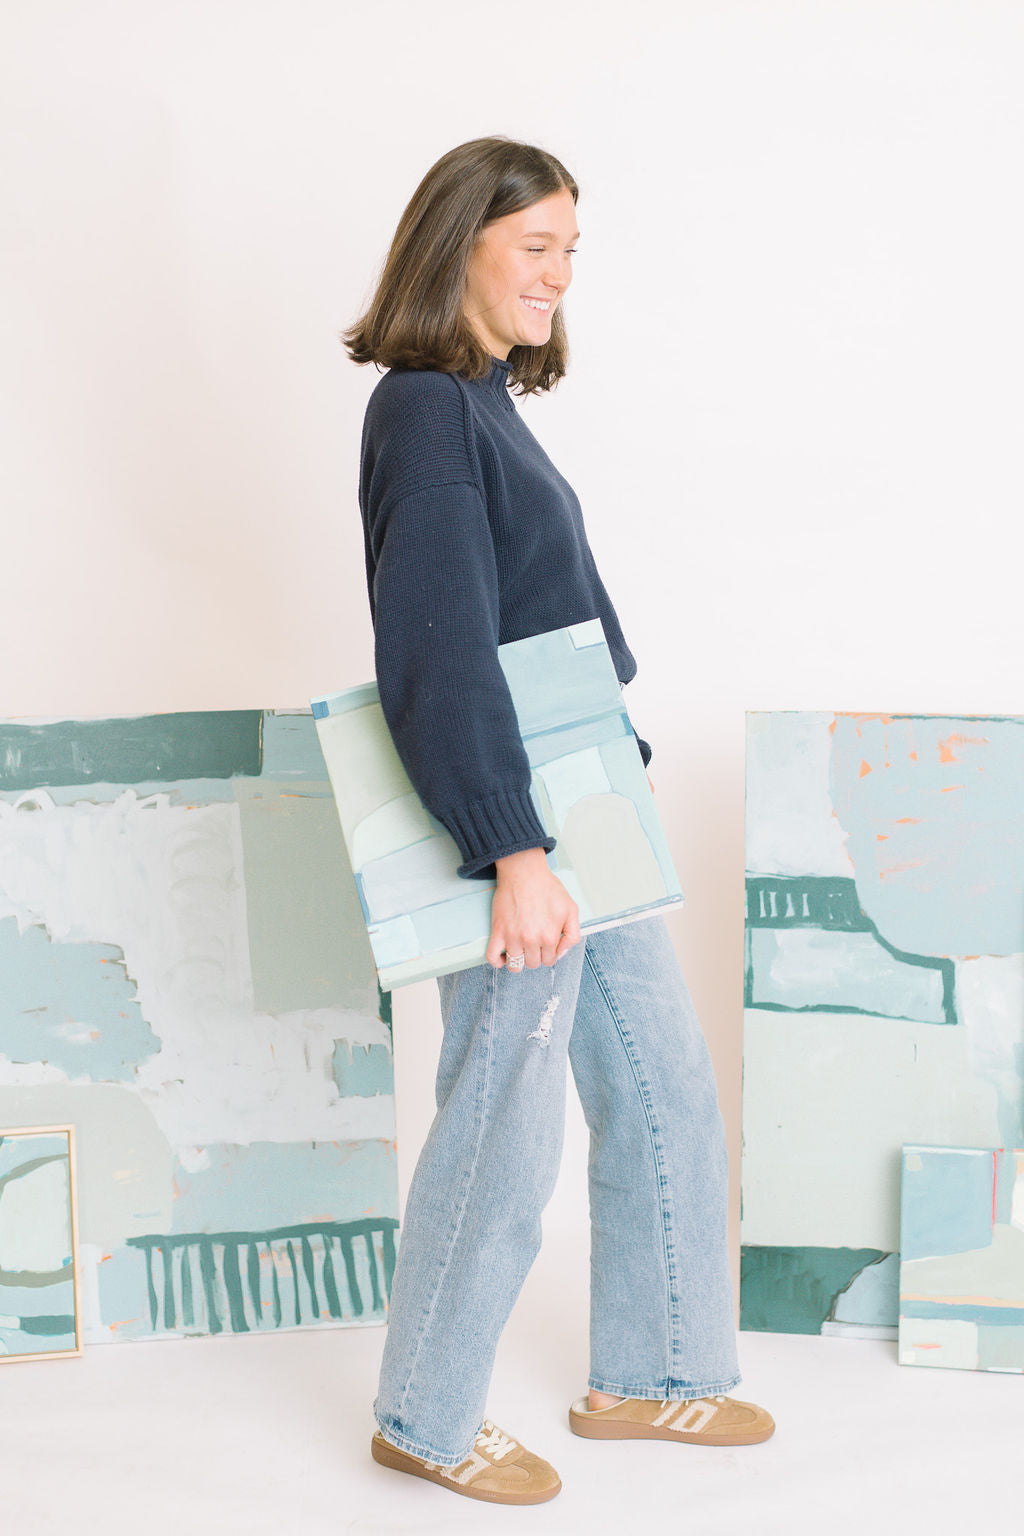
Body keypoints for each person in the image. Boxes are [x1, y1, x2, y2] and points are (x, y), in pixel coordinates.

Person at [341, 135, 774, 1507]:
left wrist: (588, 811)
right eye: (536, 246)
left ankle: (651, 1373)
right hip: (521, 824)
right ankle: (424, 1415)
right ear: (456, 244)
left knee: (660, 1081)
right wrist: (512, 849)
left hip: (583, 806)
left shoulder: (483, 404)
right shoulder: (424, 410)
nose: (559, 274)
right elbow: (440, 649)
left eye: (571, 250)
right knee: (505, 1120)